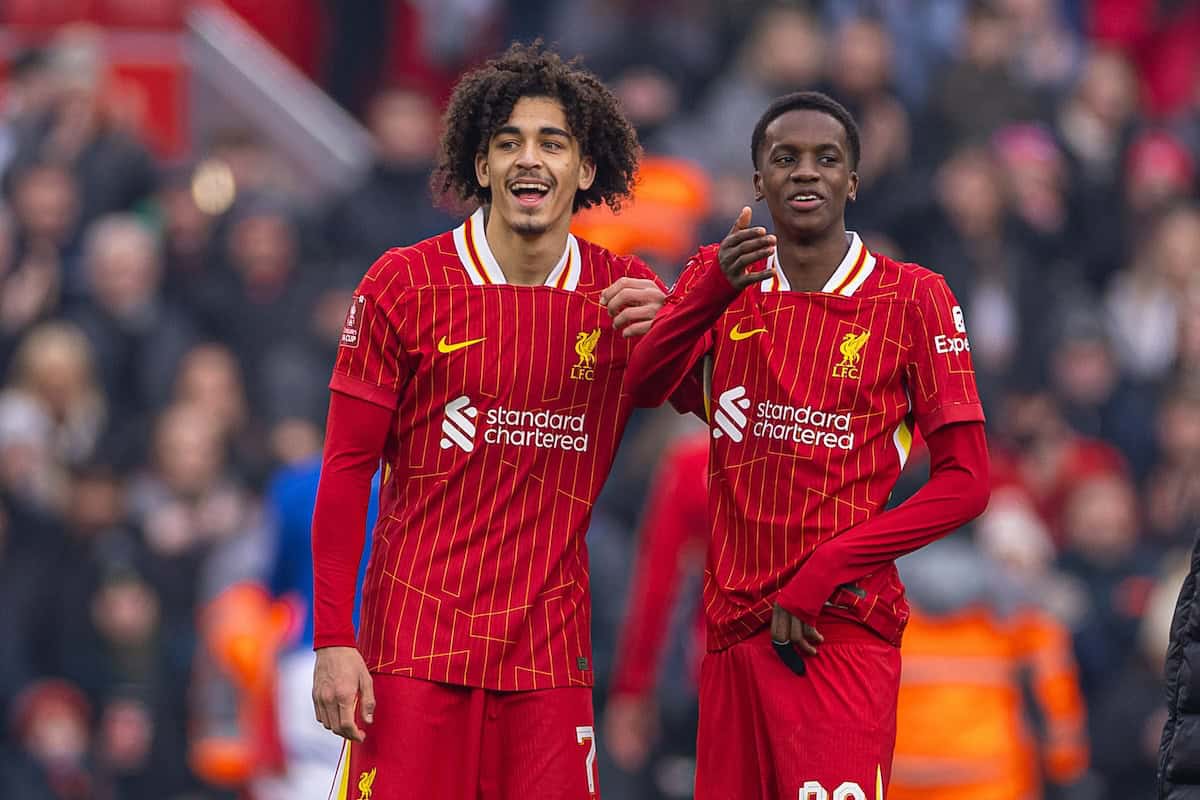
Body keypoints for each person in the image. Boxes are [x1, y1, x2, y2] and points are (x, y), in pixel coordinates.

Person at [309, 42, 687, 800]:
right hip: (413, 648)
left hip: (548, 658)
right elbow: (348, 468)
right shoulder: (404, 284)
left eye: (553, 142)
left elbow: (728, 411)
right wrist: (332, 640)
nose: (529, 160)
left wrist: (686, 327)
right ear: (479, 166)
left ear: (585, 169)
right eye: (508, 142)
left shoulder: (625, 293)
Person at [623, 91, 991, 798]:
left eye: (827, 159)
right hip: (732, 641)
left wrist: (829, 567)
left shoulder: (912, 297)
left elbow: (967, 482)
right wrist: (705, 295)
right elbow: (644, 387)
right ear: (757, 180)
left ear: (853, 179)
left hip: (839, 629)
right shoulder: (724, 276)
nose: (806, 173)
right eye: (784, 158)